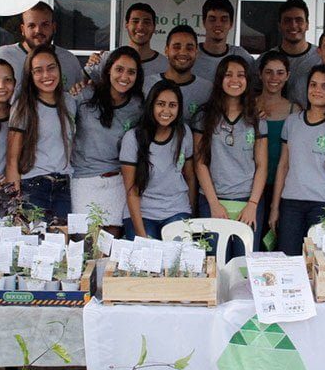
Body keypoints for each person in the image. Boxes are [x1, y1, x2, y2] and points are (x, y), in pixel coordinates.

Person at [269, 66, 325, 256]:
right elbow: (283, 166)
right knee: (289, 260)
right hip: (290, 203)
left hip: (323, 205)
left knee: (315, 262)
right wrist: (275, 208)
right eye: (313, 85)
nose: (317, 90)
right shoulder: (292, 121)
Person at [193, 56, 268, 251]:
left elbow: (261, 165)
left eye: (241, 75)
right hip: (213, 200)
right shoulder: (204, 116)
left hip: (247, 201)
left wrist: (253, 204)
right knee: (215, 264)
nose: (235, 80)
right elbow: (200, 163)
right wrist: (213, 204)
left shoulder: (256, 118)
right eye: (228, 75)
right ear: (219, 79)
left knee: (243, 265)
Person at [71, 47, 144, 235]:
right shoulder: (86, 95)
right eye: (119, 69)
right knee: (85, 243)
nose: (124, 76)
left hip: (118, 181)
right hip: (84, 179)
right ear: (108, 70)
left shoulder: (138, 106)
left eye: (131, 72)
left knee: (111, 246)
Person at [6, 45, 78, 223]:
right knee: (33, 246)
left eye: (51, 68)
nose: (46, 75)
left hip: (63, 186)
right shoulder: (23, 107)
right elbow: (12, 160)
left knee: (61, 244)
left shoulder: (70, 102)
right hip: (33, 187)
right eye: (38, 71)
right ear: (30, 75)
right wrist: (14, 204)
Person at [120, 80, 196, 239]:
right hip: (143, 213)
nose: (166, 110)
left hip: (176, 209)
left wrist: (190, 213)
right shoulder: (133, 138)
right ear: (151, 106)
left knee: (177, 259)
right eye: (161, 104)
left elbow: (190, 176)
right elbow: (131, 191)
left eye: (172, 105)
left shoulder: (184, 133)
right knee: (147, 261)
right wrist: (142, 237)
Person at [0, 1, 85, 92]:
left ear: (54, 27)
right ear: (23, 29)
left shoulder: (69, 60)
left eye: (45, 25)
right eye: (32, 26)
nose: (38, 31)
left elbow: (79, 95)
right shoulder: (3, 56)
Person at [143, 25, 214, 126]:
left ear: (196, 52)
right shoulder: (147, 84)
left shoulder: (208, 89)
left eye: (189, 48)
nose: (183, 52)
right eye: (176, 47)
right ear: (166, 50)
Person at [85, 2, 169, 82]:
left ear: (154, 27)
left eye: (146, 22)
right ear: (126, 25)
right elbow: (79, 85)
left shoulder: (166, 65)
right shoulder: (106, 59)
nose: (140, 27)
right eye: (135, 21)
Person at [256, 51, 300, 197]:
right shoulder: (247, 106)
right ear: (259, 74)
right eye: (268, 72)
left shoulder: (295, 110)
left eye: (280, 73)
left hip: (285, 185)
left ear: (287, 76)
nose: (274, 78)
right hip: (251, 183)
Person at [270, 0, 321, 108]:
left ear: (307, 24)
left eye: (299, 20)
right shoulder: (266, 60)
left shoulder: (321, 58)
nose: (293, 25)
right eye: (287, 20)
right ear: (279, 26)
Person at [193, 0, 255, 82]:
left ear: (231, 24)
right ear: (204, 22)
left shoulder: (242, 56)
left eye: (224, 19)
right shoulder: (191, 55)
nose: (218, 24)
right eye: (212, 19)